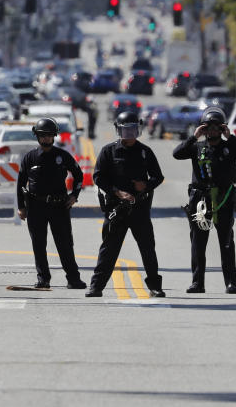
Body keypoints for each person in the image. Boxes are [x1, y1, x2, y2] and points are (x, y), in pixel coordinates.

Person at [173, 107, 236, 294]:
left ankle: (231, 282)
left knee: (226, 241)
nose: (213, 131)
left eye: (217, 128)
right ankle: (197, 282)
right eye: (209, 128)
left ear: (222, 128)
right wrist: (194, 137)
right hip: (200, 199)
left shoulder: (228, 147)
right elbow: (177, 154)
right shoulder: (197, 147)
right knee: (198, 242)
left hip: (223, 199)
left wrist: (230, 137)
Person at [86, 110, 166, 298]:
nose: (129, 135)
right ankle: (96, 286)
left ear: (138, 130)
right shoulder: (108, 151)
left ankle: (155, 286)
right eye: (125, 131)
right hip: (117, 208)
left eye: (132, 130)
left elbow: (158, 177)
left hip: (139, 209)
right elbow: (98, 176)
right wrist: (116, 191)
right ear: (118, 130)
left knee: (148, 249)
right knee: (108, 249)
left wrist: (145, 185)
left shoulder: (145, 152)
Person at [16, 118, 88, 289]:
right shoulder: (30, 157)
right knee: (39, 244)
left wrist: (74, 195)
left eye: (49, 135)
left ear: (54, 136)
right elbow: (20, 184)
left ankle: (73, 278)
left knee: (65, 244)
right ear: (37, 137)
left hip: (59, 206)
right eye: (42, 136)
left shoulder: (62, 156)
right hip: (35, 207)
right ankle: (43, 279)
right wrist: (21, 207)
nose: (46, 139)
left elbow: (79, 175)